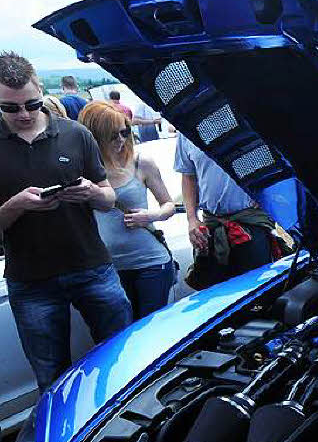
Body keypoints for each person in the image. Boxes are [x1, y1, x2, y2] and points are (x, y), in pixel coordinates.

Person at [0, 53, 131, 391]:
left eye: (31, 103)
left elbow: (109, 200)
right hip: (31, 282)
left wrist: (91, 192)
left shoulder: (76, 134)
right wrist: (15, 206)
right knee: (51, 378)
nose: (24, 114)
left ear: (41, 90)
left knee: (121, 360)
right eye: (10, 108)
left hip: (92, 268)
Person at [80, 101, 177, 319]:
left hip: (150, 262)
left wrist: (151, 216)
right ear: (96, 136)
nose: (121, 140)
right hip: (107, 269)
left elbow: (168, 205)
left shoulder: (141, 162)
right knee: (120, 335)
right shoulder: (83, 171)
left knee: (150, 332)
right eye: (113, 135)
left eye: (125, 132)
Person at [175, 133, 280, 289]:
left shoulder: (244, 120)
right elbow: (188, 176)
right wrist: (192, 219)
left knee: (258, 291)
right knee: (214, 294)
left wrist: (268, 194)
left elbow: (277, 162)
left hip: (250, 223)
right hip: (211, 226)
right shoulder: (186, 130)